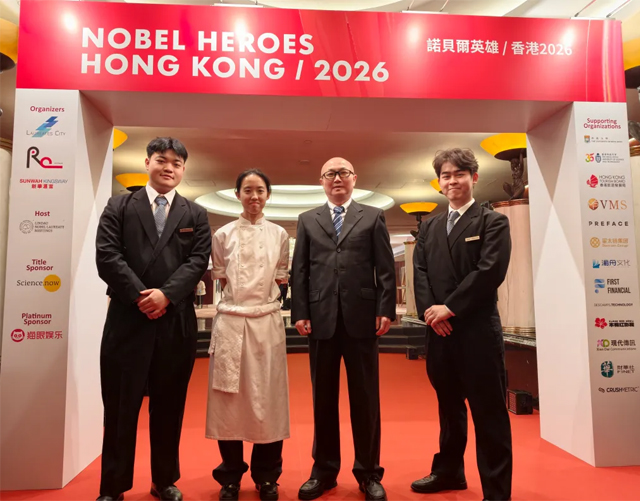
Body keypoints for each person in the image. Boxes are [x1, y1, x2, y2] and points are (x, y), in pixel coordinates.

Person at [95, 137, 211, 501]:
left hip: (175, 321)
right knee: (120, 407)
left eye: (177, 163)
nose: (169, 168)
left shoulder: (195, 214)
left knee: (169, 405)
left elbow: (198, 261)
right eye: (162, 160)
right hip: (127, 318)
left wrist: (166, 295)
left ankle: (164, 480)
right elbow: (107, 255)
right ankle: (112, 486)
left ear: (183, 170)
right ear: (147, 163)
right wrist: (141, 296)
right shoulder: (119, 206)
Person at [291, 157, 396, 501]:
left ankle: (369, 473)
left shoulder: (373, 216)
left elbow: (385, 268)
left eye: (343, 173)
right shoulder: (308, 219)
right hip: (320, 319)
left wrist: (385, 308)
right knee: (323, 400)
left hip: (362, 319)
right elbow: (300, 271)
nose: (337, 178)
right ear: (321, 181)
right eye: (330, 174)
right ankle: (323, 471)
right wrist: (300, 311)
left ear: (354, 178)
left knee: (365, 399)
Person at [412, 148, 513, 501]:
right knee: (449, 408)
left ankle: (496, 491)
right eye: (446, 175)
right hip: (439, 333)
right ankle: (449, 472)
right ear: (439, 182)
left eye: (459, 174)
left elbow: (490, 272)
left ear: (474, 177)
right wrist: (431, 313)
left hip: (477, 332)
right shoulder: (430, 226)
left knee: (489, 414)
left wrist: (450, 308)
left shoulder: (492, 222)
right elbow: (420, 272)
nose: (452, 181)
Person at [206, 169, 290, 501]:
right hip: (231, 321)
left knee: (268, 400)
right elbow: (223, 278)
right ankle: (230, 476)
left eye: (260, 191)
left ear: (268, 195)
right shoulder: (222, 234)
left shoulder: (279, 234)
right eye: (247, 190)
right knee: (229, 401)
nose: (254, 197)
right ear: (237, 194)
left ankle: (267, 476)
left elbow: (280, 278)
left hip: (266, 322)